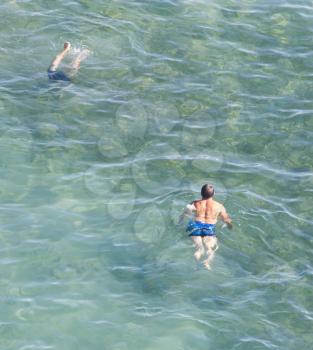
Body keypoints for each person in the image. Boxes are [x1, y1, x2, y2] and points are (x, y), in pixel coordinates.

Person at [180, 184, 232, 270]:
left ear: (201, 193)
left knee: (199, 249)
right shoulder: (219, 206)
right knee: (210, 250)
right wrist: (230, 226)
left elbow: (185, 213)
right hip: (209, 229)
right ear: (213, 193)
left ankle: (196, 265)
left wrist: (180, 221)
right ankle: (207, 262)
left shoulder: (195, 203)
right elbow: (226, 219)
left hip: (196, 227)